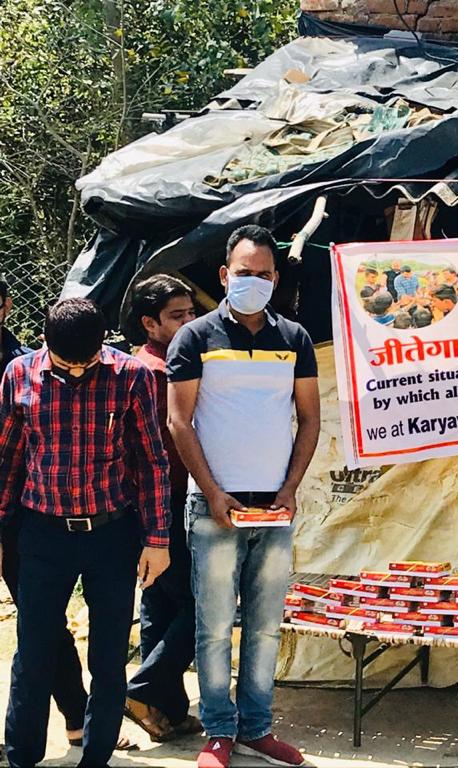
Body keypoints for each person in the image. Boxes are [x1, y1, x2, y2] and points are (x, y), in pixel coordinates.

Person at [167, 225, 320, 768]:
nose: (252, 281)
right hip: (214, 507)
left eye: (263, 274)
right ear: (224, 275)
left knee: (265, 626)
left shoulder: (295, 339)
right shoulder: (195, 338)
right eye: (243, 272)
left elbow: (309, 418)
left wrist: (290, 489)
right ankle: (218, 731)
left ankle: (256, 729)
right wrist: (212, 492)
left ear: (276, 279)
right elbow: (179, 421)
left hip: (273, 509)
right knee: (213, 626)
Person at [0, 298, 171, 768]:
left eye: (87, 363)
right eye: (65, 365)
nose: (77, 373)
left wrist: (158, 539)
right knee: (33, 653)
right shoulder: (19, 374)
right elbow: (7, 458)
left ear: (104, 344)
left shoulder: (132, 376)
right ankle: (22, 756)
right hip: (42, 535)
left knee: (109, 656)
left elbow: (152, 460)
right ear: (44, 343)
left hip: (111, 535)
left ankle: (96, 757)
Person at [0, 281, 92, 752]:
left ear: (6, 305)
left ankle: (77, 718)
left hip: (21, 515)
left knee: (43, 624)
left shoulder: (24, 366)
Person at [123, 275, 203, 742]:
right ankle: (141, 689)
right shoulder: (155, 372)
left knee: (161, 602)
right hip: (164, 501)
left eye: (192, 313)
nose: (189, 322)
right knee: (203, 604)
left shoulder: (158, 362)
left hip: (155, 502)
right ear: (149, 323)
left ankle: (166, 710)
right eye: (177, 316)